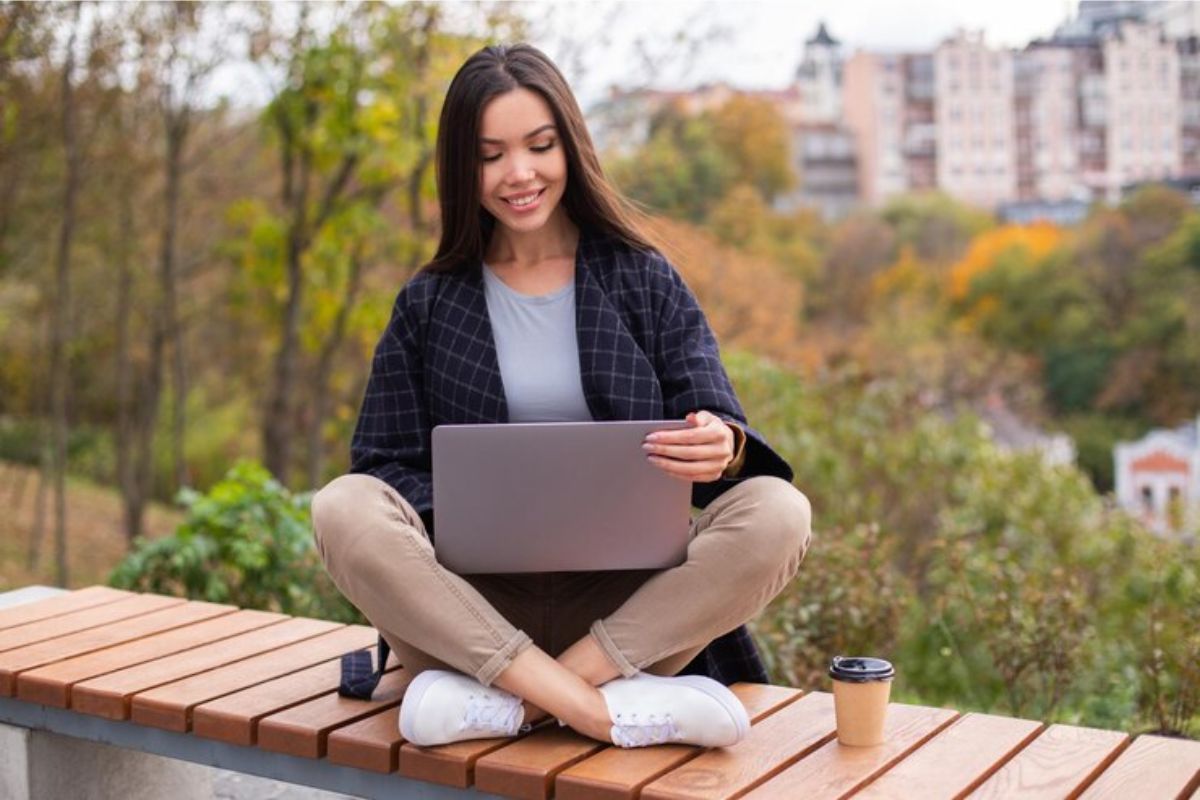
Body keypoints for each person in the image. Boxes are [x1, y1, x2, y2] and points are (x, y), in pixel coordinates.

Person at [311, 43, 812, 750]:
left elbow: (717, 419)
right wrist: (469, 506)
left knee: (780, 512)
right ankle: (605, 709)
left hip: (626, 615)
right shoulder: (429, 303)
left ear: (570, 147)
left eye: (539, 146)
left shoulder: (642, 278)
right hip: (474, 611)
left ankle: (524, 700)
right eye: (490, 155)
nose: (519, 174)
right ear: (463, 167)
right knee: (342, 506)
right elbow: (380, 464)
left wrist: (722, 447)